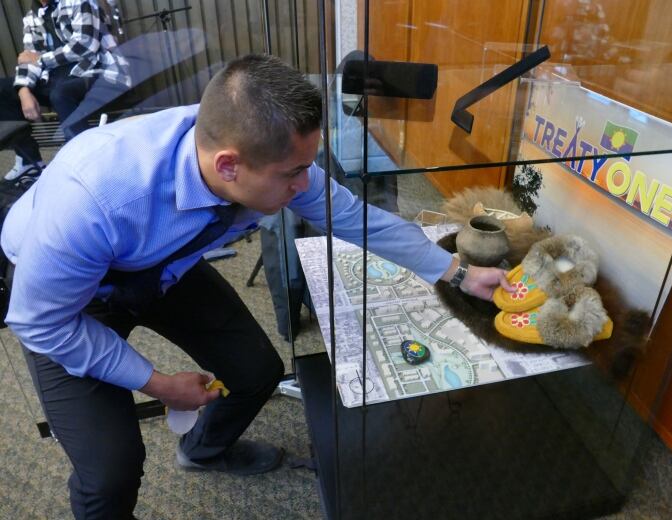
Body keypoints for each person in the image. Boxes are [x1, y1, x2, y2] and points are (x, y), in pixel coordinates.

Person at [1, 54, 512, 519]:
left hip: (159, 266)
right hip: (69, 304)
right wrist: (155, 383)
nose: (303, 185)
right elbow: (37, 321)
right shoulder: (91, 200)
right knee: (110, 471)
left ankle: (203, 450)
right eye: (293, 173)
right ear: (227, 164)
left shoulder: (249, 145)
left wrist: (459, 274)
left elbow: (352, 216)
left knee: (256, 370)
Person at [0, 0, 130, 183]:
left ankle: (86, 166)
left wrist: (40, 59)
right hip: (56, 77)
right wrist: (23, 90)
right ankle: (29, 161)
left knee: (61, 93)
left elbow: (85, 46)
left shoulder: (82, 2)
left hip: (97, 72)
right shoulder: (31, 17)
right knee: (3, 89)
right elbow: (27, 60)